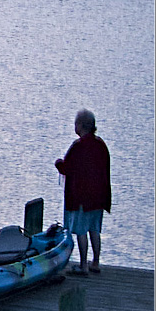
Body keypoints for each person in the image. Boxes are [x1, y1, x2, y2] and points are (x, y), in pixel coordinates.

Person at [55, 108, 111, 275]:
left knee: (80, 231)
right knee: (94, 229)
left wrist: (58, 163)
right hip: (99, 197)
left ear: (80, 125)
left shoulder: (78, 146)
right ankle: (95, 262)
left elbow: (67, 167)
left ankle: (83, 265)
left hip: (81, 197)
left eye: (75, 123)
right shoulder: (101, 144)